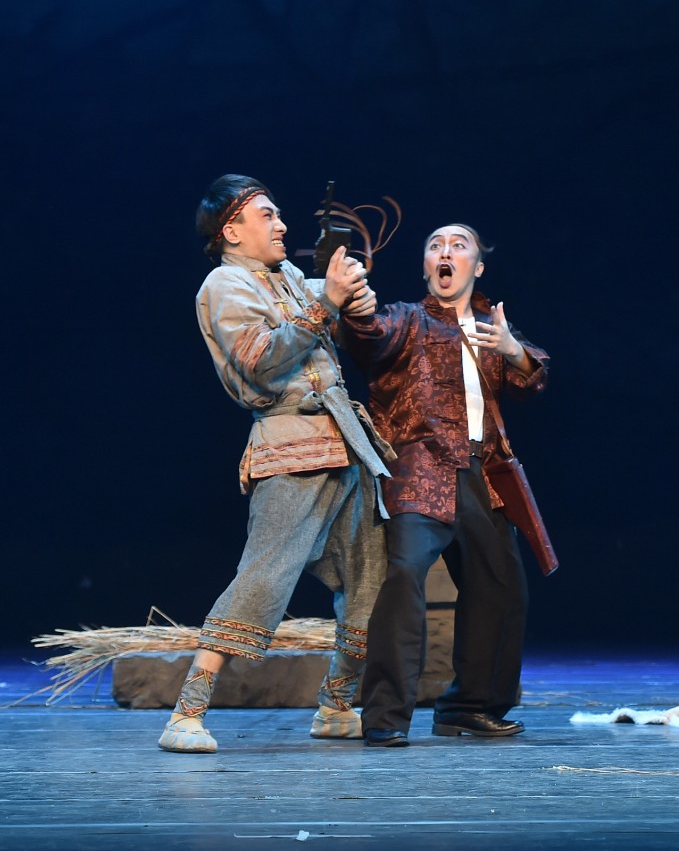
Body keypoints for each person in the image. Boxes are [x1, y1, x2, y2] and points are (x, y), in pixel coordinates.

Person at [163, 175, 394, 753]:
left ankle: (337, 705)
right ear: (231, 231)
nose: (282, 225)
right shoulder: (224, 284)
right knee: (264, 576)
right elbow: (263, 361)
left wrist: (354, 300)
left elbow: (332, 308)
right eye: (267, 215)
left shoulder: (287, 275)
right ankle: (186, 715)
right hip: (291, 446)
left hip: (345, 443)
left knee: (369, 579)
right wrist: (329, 303)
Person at [341, 223, 550, 747]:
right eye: (435, 246)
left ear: (477, 266)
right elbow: (369, 335)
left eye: (459, 246)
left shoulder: (491, 328)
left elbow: (534, 377)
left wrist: (511, 349)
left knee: (501, 586)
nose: (445, 252)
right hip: (421, 468)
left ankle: (468, 707)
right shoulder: (407, 319)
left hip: (482, 475)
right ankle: (385, 715)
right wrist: (354, 302)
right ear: (426, 266)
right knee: (405, 573)